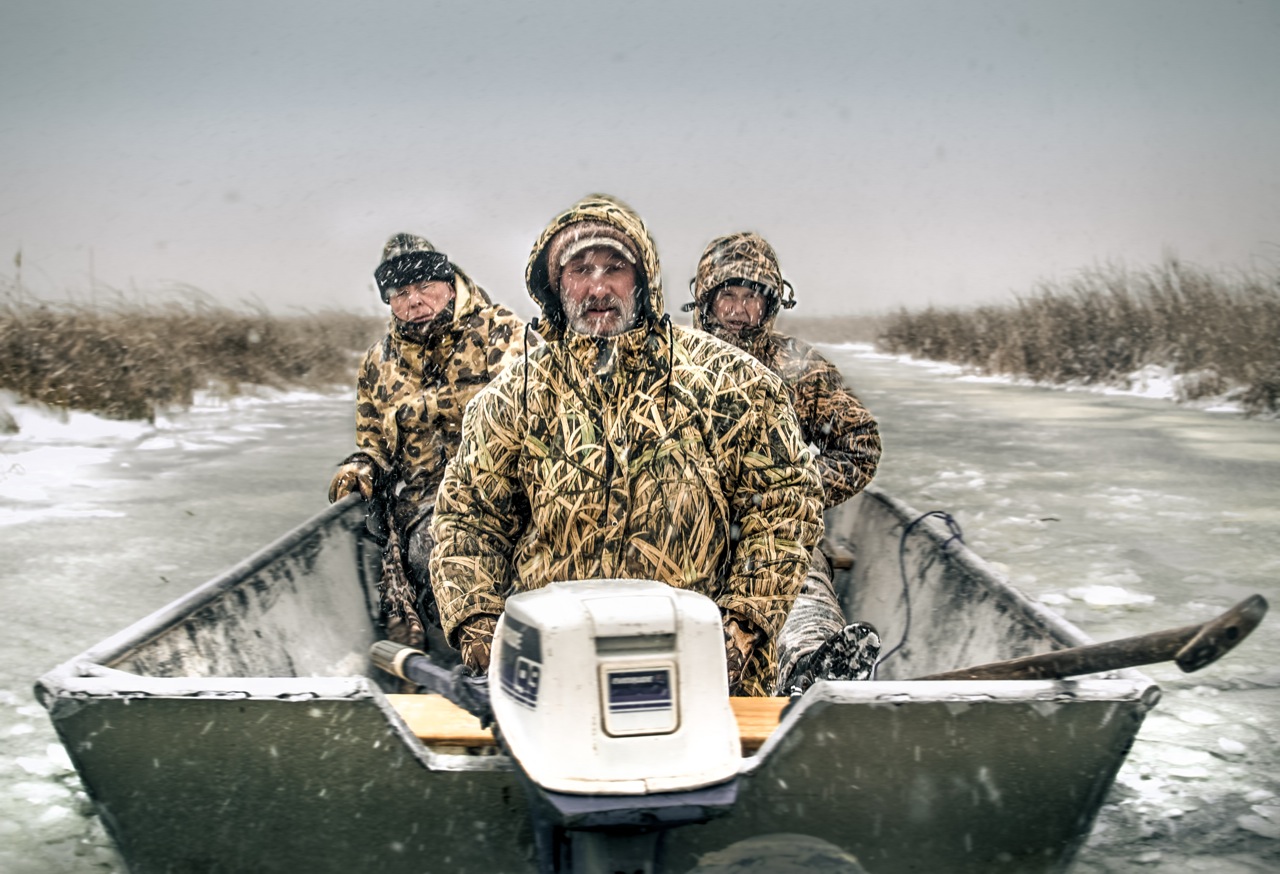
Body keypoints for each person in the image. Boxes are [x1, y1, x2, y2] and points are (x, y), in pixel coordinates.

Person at [427, 195, 825, 696]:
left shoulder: (733, 383)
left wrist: (742, 625)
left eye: (615, 268)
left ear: (643, 279)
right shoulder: (511, 398)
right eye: (580, 269)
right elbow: (468, 519)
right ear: (555, 284)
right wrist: (480, 628)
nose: (597, 286)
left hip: (701, 670)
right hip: (555, 669)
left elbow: (786, 500)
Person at [685, 231, 884, 694]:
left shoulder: (798, 368)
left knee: (801, 585)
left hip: (779, 531)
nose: (736, 310)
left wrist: (793, 492)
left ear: (770, 304)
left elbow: (860, 445)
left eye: (749, 297)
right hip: (687, 530)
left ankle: (815, 671)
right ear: (704, 301)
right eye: (726, 296)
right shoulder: (675, 363)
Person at [328, 233, 535, 653]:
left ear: (449, 283)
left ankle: (523, 645)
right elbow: (373, 444)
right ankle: (466, 652)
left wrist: (428, 406)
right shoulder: (377, 363)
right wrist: (361, 467)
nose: (415, 301)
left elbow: (531, 410)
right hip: (426, 502)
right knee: (429, 549)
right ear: (389, 301)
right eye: (401, 292)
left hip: (506, 487)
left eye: (425, 287)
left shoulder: (501, 332)